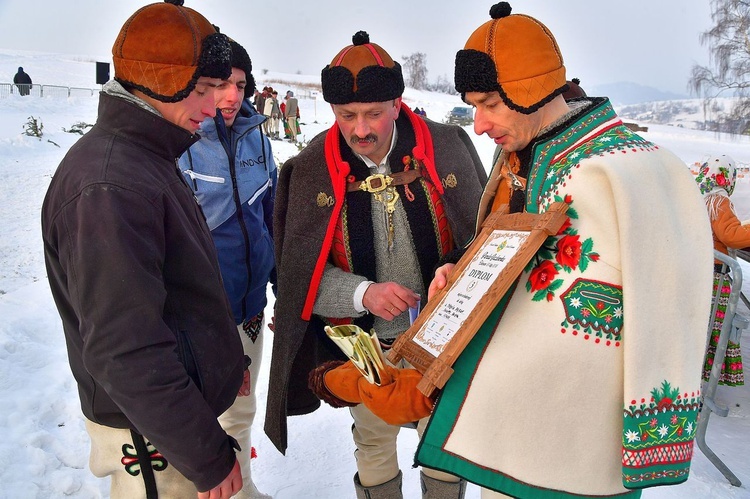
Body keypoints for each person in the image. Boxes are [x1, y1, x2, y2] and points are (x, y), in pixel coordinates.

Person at [319, 4, 714, 499]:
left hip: (576, 448)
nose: (479, 124)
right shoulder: (522, 153)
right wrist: (461, 275)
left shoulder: (629, 172)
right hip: (512, 432)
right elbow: (510, 262)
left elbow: (630, 314)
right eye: (474, 105)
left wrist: (435, 383)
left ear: (528, 90)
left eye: (488, 103)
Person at [264, 30, 487, 498]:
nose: (360, 129)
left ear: (398, 103)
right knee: (372, 444)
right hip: (366, 350)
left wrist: (454, 275)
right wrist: (363, 293)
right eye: (347, 116)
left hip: (442, 341)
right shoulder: (309, 169)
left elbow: (485, 246)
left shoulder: (448, 147)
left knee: (444, 443)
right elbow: (298, 279)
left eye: (373, 114)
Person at [41, 1, 246, 498]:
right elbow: (125, 350)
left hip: (172, 421)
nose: (213, 105)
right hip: (152, 441)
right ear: (158, 84)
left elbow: (179, 292)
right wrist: (205, 455)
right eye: (201, 91)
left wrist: (223, 363)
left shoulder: (147, 156)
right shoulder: (112, 184)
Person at [178, 37, 276, 499]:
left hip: (250, 306)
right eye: (219, 85)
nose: (232, 96)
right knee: (199, 414)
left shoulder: (257, 134)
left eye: (239, 84)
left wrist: (285, 286)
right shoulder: (182, 139)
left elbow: (270, 214)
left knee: (240, 409)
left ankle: (244, 489)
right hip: (201, 312)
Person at [695, 154, 747, 386]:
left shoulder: (697, 198)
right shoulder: (718, 201)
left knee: (699, 328)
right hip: (714, 277)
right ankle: (699, 383)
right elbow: (731, 236)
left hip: (699, 271)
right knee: (712, 331)